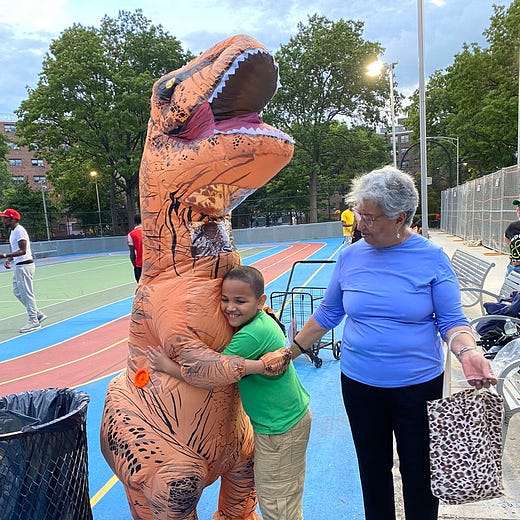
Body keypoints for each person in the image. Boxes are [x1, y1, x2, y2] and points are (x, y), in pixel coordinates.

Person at [288, 166, 496, 520]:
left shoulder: (431, 258)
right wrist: (288, 352)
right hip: (359, 383)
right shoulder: (350, 256)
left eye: (370, 218)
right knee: (372, 470)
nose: (361, 225)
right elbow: (329, 312)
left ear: (400, 217)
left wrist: (467, 351)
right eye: (359, 214)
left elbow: (451, 320)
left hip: (418, 385)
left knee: (419, 472)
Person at [148, 265, 310, 520]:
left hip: (280, 428)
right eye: (224, 300)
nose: (230, 307)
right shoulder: (259, 321)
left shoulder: (252, 335)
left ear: (260, 302)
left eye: (240, 301)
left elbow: (211, 373)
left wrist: (167, 366)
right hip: (282, 422)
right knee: (282, 496)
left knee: (277, 502)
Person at [1, 208, 47, 333]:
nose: (4, 220)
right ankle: (37, 314)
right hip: (20, 265)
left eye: (5, 218)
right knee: (17, 291)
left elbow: (23, 250)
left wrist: (4, 255)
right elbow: (17, 249)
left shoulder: (19, 231)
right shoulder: (13, 231)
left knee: (27, 293)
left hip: (24, 266)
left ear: (12, 219)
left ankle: (34, 321)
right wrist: (9, 259)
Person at [504, 198, 520, 277]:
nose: (518, 209)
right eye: (518, 207)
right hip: (512, 267)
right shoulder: (513, 226)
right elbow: (506, 237)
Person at [127, 213, 143, 282]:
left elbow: (132, 253)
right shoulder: (149, 232)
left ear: (135, 222)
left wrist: (135, 266)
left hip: (139, 265)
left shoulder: (131, 234)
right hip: (151, 264)